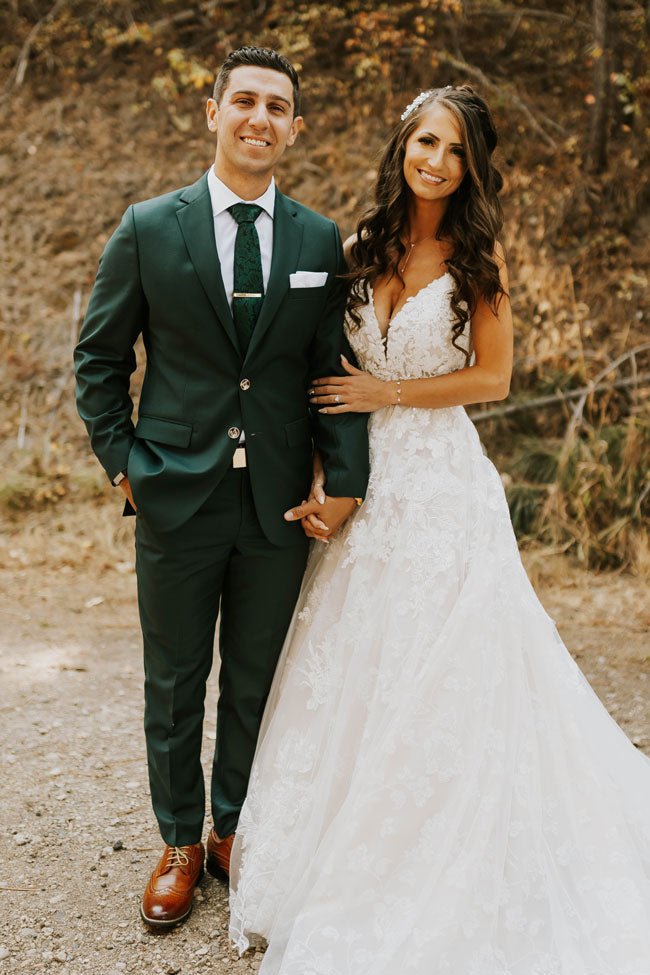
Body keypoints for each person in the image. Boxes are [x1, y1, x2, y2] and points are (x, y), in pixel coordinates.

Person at [229, 85, 650, 973]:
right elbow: (323, 367)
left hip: (443, 491)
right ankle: (328, 849)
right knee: (355, 668)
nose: (436, 161)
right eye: (426, 142)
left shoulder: (479, 258)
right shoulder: (356, 247)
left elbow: (493, 379)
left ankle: (434, 856)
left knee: (441, 674)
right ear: (403, 144)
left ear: (472, 167)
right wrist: (323, 467)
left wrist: (389, 393)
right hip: (361, 484)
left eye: (456, 151)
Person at [74, 46, 369, 929]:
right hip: (174, 491)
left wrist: (344, 478)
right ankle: (176, 839)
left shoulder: (319, 239)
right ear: (212, 113)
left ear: (295, 127)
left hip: (276, 502)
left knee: (254, 679)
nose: (259, 119)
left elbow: (332, 370)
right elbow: (98, 359)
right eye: (244, 101)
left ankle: (234, 828)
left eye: (277, 107)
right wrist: (126, 464)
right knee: (174, 678)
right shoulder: (147, 227)